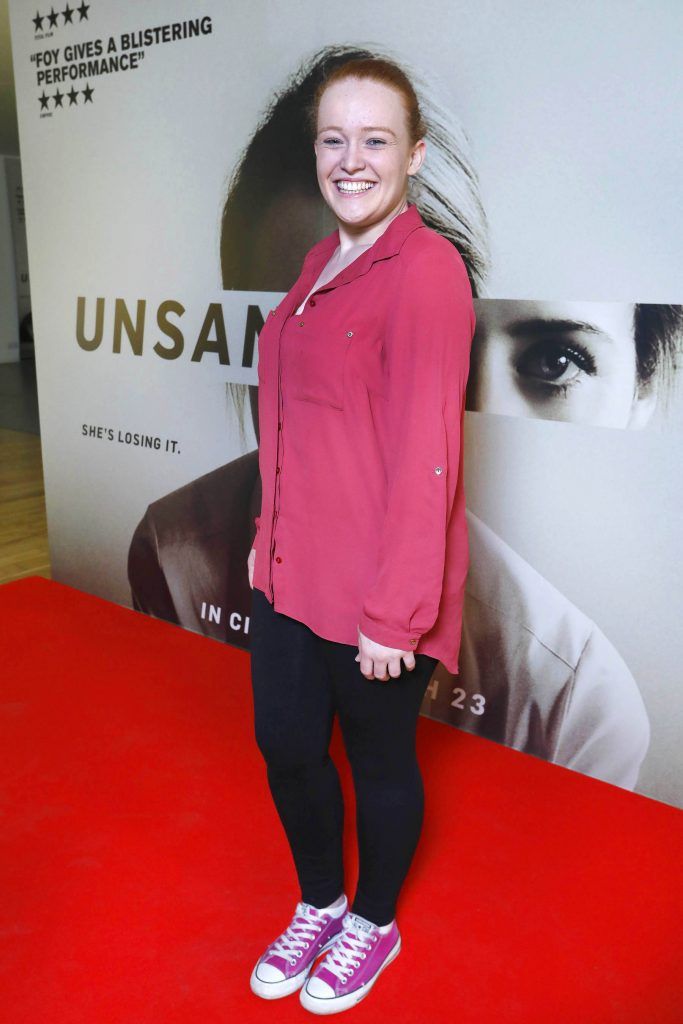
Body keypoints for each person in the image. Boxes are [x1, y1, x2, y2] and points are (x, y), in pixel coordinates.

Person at [246, 56, 475, 1014]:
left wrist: (396, 614)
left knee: (379, 762)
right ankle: (320, 902)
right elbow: (299, 419)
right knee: (286, 747)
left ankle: (370, 924)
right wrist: (266, 538)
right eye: (333, 139)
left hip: (380, 590)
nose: (351, 159)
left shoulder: (426, 272)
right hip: (292, 573)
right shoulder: (317, 262)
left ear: (412, 156)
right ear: (315, 154)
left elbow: (430, 460)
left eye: (374, 140)